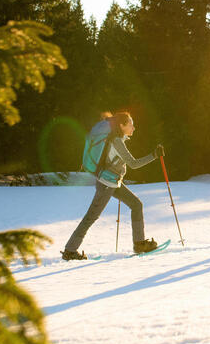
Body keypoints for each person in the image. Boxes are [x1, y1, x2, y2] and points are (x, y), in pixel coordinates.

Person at [62, 111, 161, 260]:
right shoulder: (117, 141)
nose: (134, 128)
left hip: (114, 182)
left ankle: (139, 243)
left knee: (136, 205)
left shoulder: (118, 139)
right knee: (91, 217)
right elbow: (133, 164)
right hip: (106, 184)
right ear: (122, 126)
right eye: (131, 124)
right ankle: (70, 251)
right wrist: (154, 155)